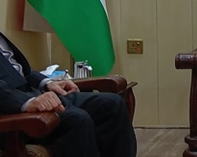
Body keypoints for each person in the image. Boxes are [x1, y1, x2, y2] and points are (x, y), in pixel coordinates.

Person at [0, 30, 136, 157]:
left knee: (112, 104)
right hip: (10, 109)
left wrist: (47, 82)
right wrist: (26, 102)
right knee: (77, 120)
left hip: (31, 93)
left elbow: (19, 69)